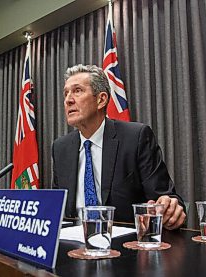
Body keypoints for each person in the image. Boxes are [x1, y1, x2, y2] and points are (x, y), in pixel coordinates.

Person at [52, 64, 186, 229]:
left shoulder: (135, 137)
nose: (68, 100)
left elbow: (166, 197)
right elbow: (57, 209)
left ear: (101, 99)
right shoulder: (60, 148)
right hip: (72, 245)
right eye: (66, 93)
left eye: (77, 91)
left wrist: (169, 208)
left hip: (124, 246)